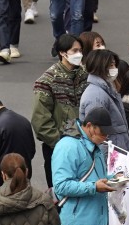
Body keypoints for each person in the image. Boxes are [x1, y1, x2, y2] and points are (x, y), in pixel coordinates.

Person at [32, 34, 88, 186]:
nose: (79, 54)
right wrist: (61, 145)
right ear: (63, 53)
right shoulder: (46, 81)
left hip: (85, 145)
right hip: (58, 148)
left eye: (81, 50)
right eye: (75, 50)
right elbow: (41, 121)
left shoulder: (85, 76)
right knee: (61, 195)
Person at [79, 50, 129, 152]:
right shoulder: (96, 96)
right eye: (111, 65)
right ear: (100, 66)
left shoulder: (106, 89)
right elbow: (97, 134)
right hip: (110, 156)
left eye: (114, 65)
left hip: (116, 152)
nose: (115, 69)